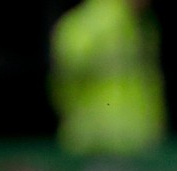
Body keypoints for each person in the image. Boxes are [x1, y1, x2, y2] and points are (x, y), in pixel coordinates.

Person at [48, 0, 167, 156]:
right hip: (95, 144)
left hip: (139, 142)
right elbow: (64, 77)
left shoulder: (144, 23)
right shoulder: (95, 20)